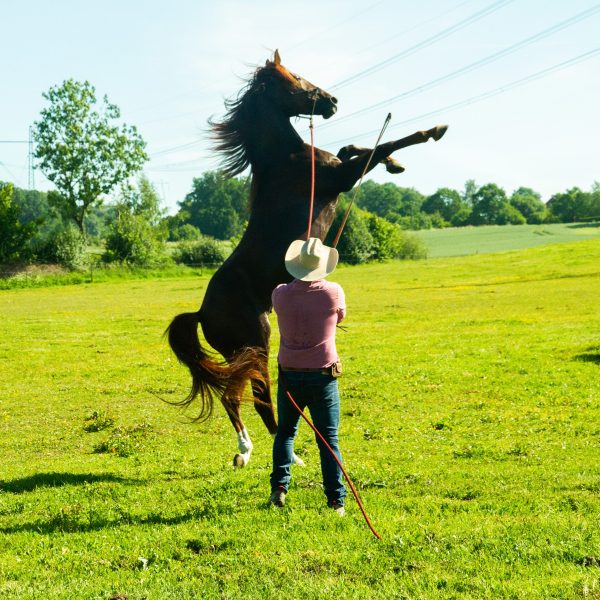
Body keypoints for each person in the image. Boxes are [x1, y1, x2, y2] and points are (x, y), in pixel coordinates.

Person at [269, 237, 347, 515]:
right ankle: (336, 501)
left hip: (289, 374)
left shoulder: (279, 294)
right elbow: (340, 318)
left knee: (286, 434)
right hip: (322, 376)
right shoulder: (334, 292)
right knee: (328, 438)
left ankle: (279, 489)